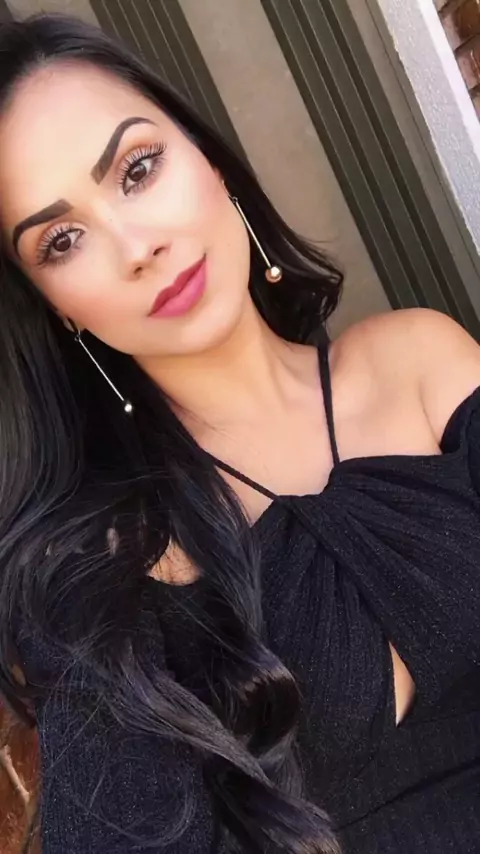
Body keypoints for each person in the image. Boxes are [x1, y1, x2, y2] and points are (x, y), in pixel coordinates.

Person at [0, 11, 480, 854]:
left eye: (138, 168)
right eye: (64, 239)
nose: (136, 246)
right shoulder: (109, 571)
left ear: (210, 160)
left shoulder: (421, 364)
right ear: (57, 309)